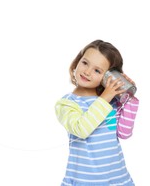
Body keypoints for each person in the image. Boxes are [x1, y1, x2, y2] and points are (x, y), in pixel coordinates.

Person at [55, 40, 139, 185]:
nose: (87, 72)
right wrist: (106, 97)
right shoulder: (67, 103)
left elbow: (124, 133)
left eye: (97, 70)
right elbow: (81, 129)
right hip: (84, 180)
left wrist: (128, 98)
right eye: (85, 63)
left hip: (118, 179)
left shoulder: (111, 103)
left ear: (109, 76)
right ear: (77, 61)